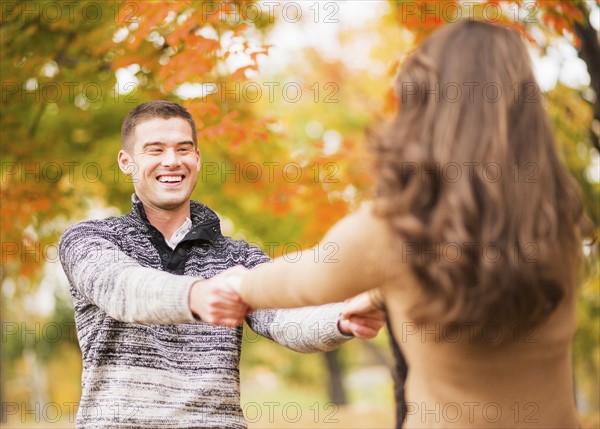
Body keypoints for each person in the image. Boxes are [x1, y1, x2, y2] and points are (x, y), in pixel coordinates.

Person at [207, 21, 587, 428]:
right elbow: (485, 271)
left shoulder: (397, 229)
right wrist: (383, 293)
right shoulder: (558, 221)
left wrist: (238, 283)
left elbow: (304, 279)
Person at [59, 100, 385, 428]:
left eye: (183, 149)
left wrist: (342, 319)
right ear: (126, 162)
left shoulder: (237, 258)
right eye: (155, 150)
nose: (172, 161)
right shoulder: (88, 240)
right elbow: (122, 288)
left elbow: (286, 319)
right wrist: (197, 296)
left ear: (197, 159)